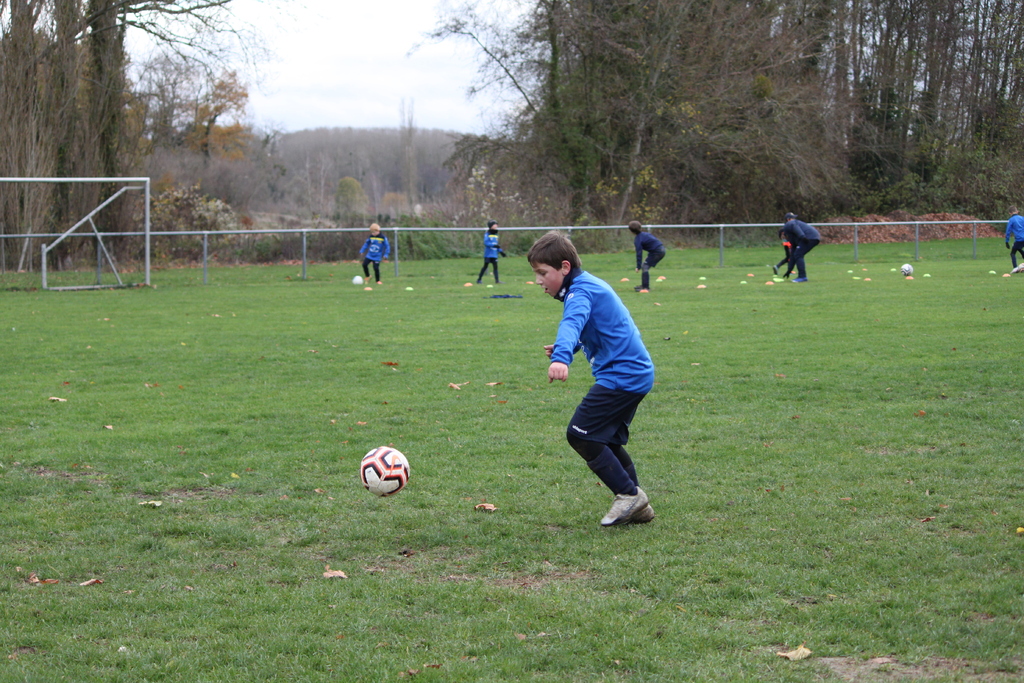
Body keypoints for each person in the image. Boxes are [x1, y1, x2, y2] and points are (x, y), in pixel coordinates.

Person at [528, 231, 655, 526]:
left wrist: (562, 357)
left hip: (622, 376)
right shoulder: (587, 285)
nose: (538, 281)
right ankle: (637, 504)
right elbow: (594, 327)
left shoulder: (580, 292)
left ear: (564, 267)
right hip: (634, 373)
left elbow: (572, 322)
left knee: (580, 434)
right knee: (603, 439)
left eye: (542, 273)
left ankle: (628, 495)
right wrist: (569, 347)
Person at [780, 212, 820, 282]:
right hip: (813, 237)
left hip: (808, 237)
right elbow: (792, 254)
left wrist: (802, 237)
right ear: (788, 219)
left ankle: (802, 277)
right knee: (797, 254)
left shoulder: (789, 224)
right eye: (792, 218)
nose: (794, 219)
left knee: (798, 255)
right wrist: (789, 270)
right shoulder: (792, 234)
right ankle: (802, 276)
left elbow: (796, 228)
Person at [628, 220, 666, 292]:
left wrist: (638, 266)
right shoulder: (646, 234)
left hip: (657, 251)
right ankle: (644, 285)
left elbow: (639, 253)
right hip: (661, 249)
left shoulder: (638, 239)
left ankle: (645, 287)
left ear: (631, 231)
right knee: (645, 265)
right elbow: (654, 243)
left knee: (645, 266)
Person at [476, 219, 506, 284]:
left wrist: (501, 251)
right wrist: (493, 245)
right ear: (491, 226)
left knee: (495, 267)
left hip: (494, 254)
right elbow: (486, 243)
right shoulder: (487, 234)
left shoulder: (496, 234)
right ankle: (479, 279)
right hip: (488, 254)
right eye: (495, 224)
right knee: (485, 266)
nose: (496, 225)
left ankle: (497, 281)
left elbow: (496, 244)